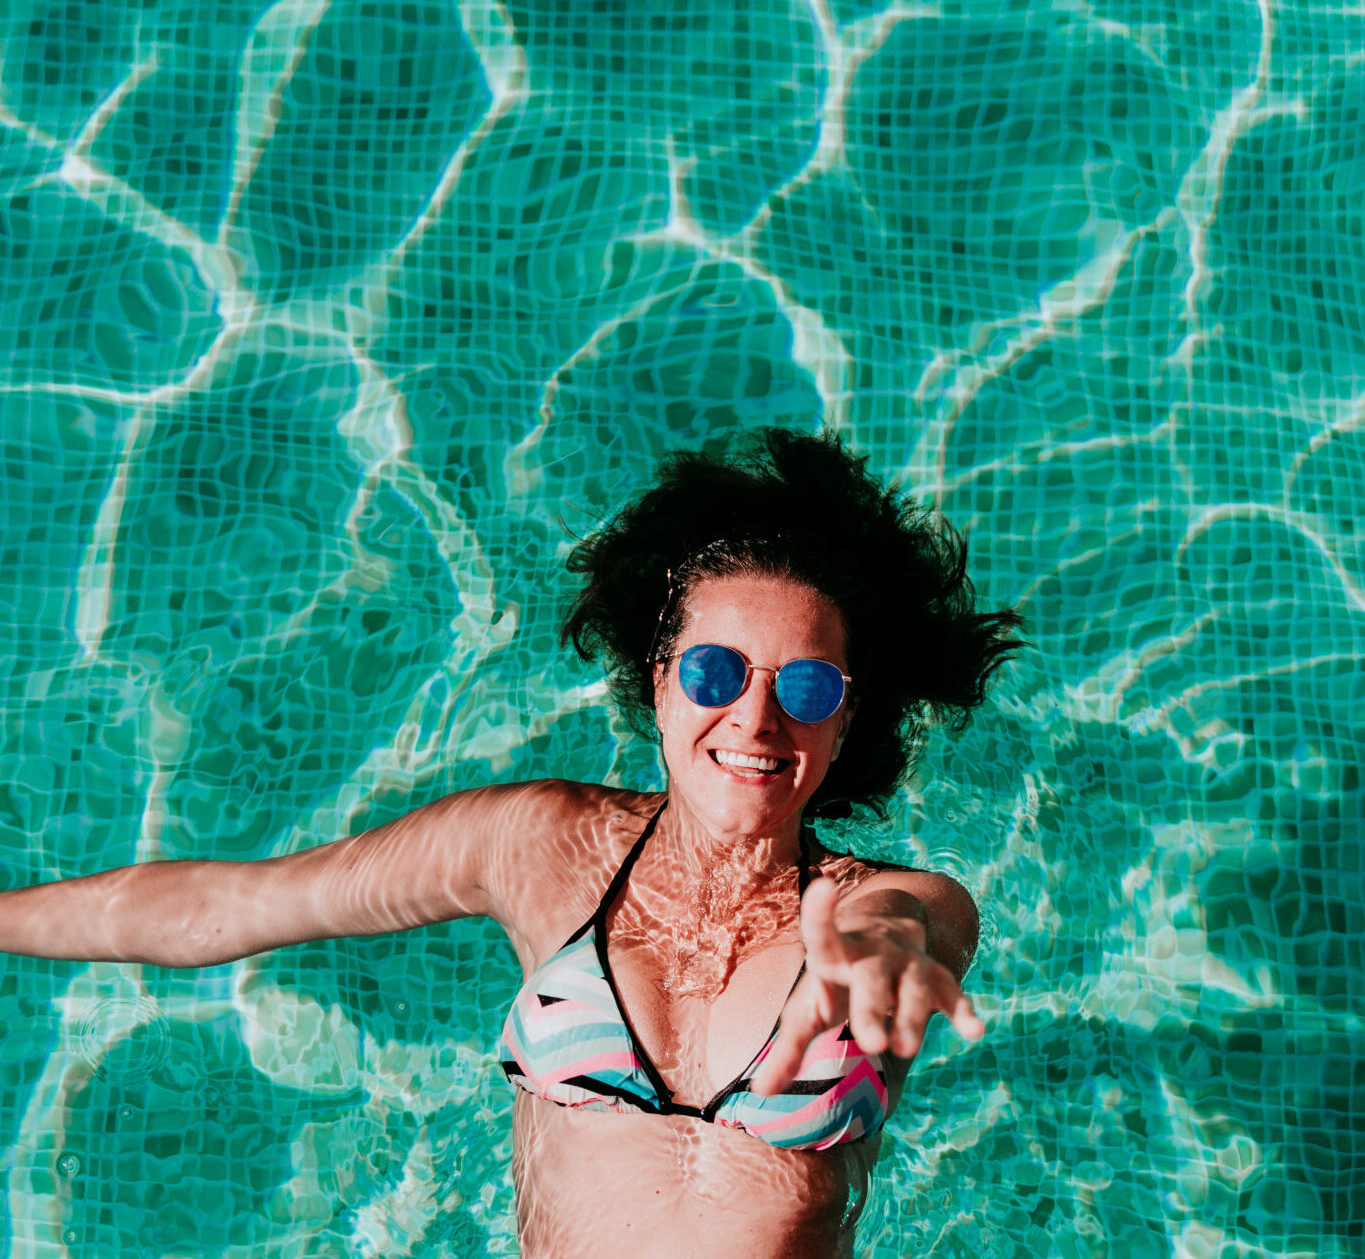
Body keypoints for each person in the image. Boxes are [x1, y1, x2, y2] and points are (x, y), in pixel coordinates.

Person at [0, 429, 1023, 1257]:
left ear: (848, 723)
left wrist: (888, 944)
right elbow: (232, 905)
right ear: (659, 681)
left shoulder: (891, 905)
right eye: (715, 673)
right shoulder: (539, 846)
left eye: (805, 689)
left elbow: (912, 926)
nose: (755, 723)